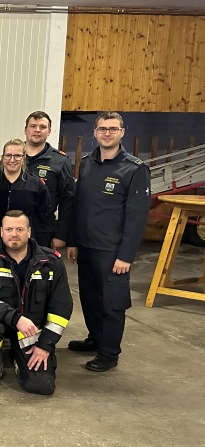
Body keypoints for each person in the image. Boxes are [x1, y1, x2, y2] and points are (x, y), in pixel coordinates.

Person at [66, 112, 151, 372]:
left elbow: (137, 217)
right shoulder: (87, 163)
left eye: (113, 129)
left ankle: (109, 352)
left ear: (122, 132)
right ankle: (95, 339)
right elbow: (78, 207)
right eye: (102, 129)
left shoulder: (134, 169)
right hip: (87, 247)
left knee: (112, 303)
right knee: (90, 298)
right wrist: (73, 241)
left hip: (112, 251)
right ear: (95, 132)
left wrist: (126, 256)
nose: (107, 133)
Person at [0, 210, 73, 394]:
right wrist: (16, 318)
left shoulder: (51, 262)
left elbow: (61, 307)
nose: (14, 234)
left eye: (19, 229)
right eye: (9, 229)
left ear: (29, 232)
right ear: (1, 232)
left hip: (32, 330)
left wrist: (45, 345)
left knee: (41, 386)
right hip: (0, 321)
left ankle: (20, 358)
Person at [24, 111, 76, 249]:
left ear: (49, 132)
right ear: (25, 130)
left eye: (42, 127)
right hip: (12, 229)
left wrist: (61, 234)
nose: (37, 130)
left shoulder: (60, 161)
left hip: (43, 230)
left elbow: (68, 200)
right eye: (33, 126)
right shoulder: (13, 155)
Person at [0, 138, 52, 240]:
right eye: (8, 155)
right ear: (2, 157)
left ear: (24, 158)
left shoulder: (36, 185)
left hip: (26, 244)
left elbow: (45, 218)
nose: (12, 160)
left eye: (17, 156)